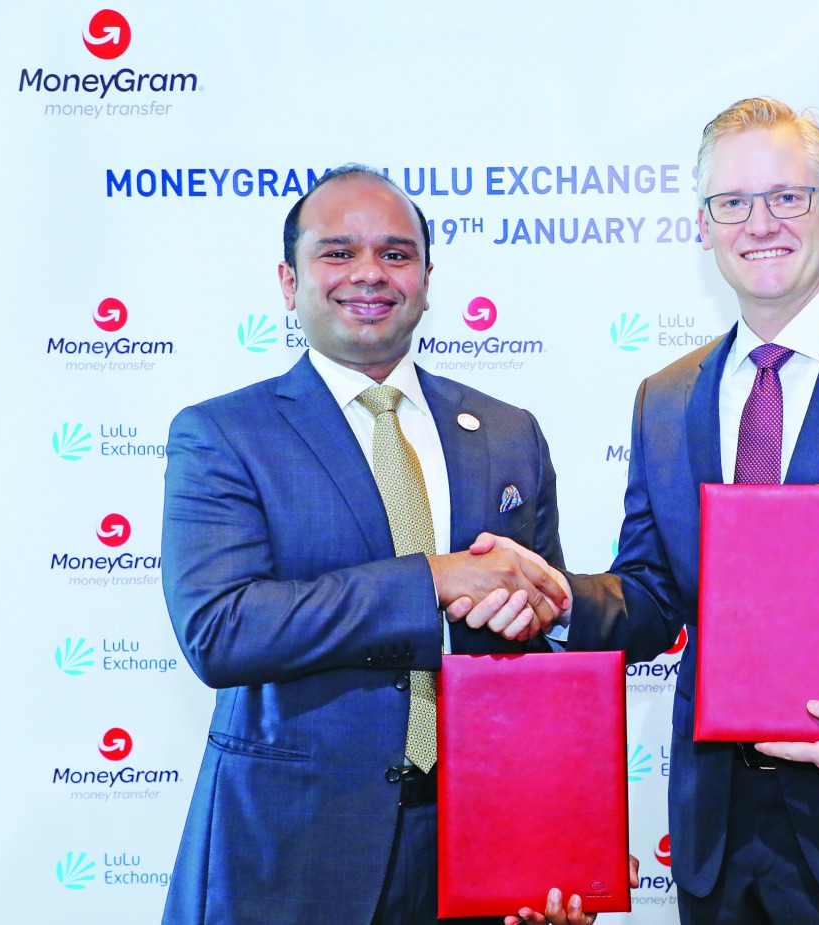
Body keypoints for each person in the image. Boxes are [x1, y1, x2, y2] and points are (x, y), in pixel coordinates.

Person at [476, 98, 819, 923]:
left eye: (787, 196)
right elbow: (656, 592)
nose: (759, 222)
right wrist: (557, 597)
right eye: (731, 202)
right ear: (703, 225)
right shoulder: (664, 399)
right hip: (717, 843)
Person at [160, 164, 592, 925]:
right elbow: (220, 629)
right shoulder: (225, 434)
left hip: (479, 842)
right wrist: (429, 578)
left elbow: (536, 663)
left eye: (397, 254)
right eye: (338, 252)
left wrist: (557, 838)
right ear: (290, 283)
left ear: (427, 280)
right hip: (295, 848)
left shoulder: (506, 431)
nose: (370, 273)